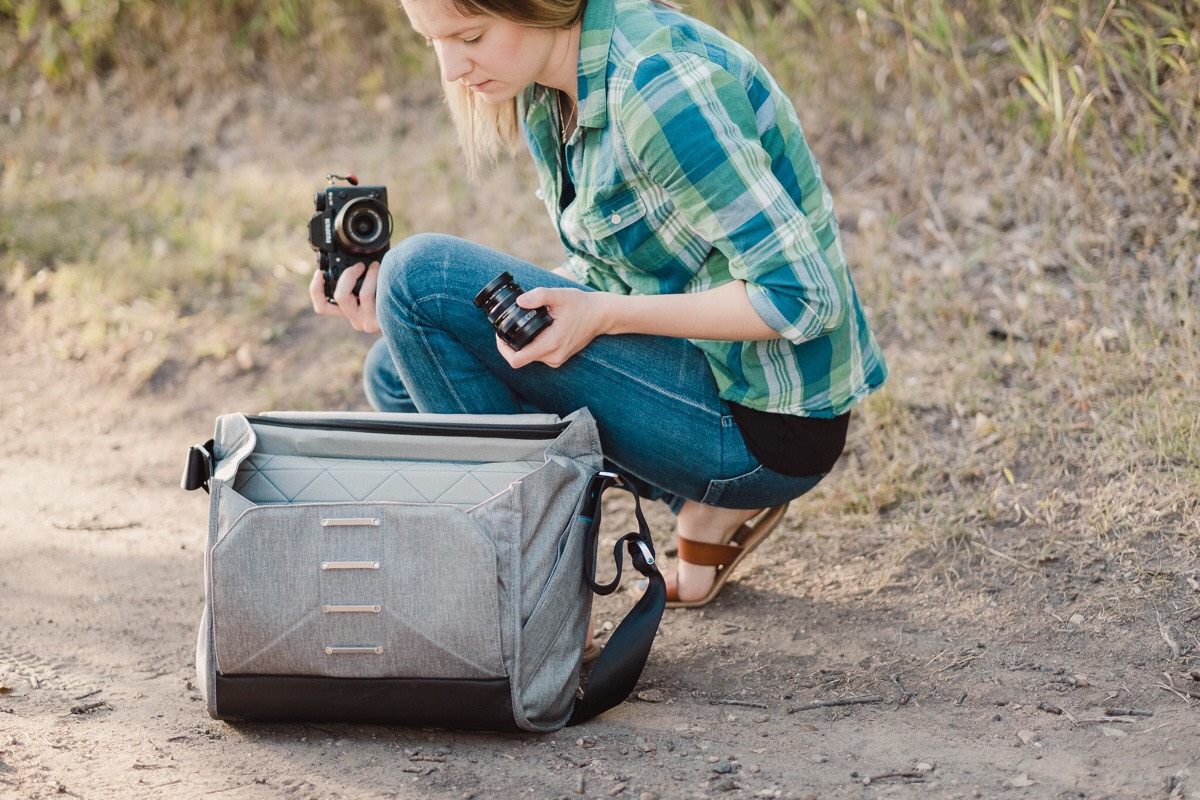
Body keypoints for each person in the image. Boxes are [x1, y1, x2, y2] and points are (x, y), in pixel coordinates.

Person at [310, 0, 889, 609]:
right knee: (398, 362)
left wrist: (605, 315)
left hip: (765, 424)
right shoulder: (551, 87)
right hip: (697, 374)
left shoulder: (655, 86)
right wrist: (415, 321)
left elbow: (804, 297)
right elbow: (614, 268)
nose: (453, 68)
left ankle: (546, 599)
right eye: (434, 42)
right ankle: (688, 506)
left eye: (471, 35)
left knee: (420, 277)